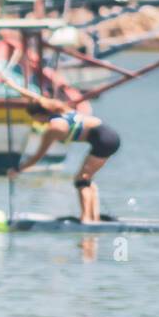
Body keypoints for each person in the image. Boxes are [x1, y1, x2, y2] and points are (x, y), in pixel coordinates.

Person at [8, 96, 120, 224]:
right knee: (86, 179)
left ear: (39, 115)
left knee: (81, 180)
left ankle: (86, 220)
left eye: (33, 118)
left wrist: (18, 169)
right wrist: (10, 83)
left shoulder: (53, 129)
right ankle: (94, 218)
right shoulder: (62, 109)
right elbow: (37, 98)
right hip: (110, 136)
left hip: (103, 140)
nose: (34, 121)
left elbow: (38, 156)